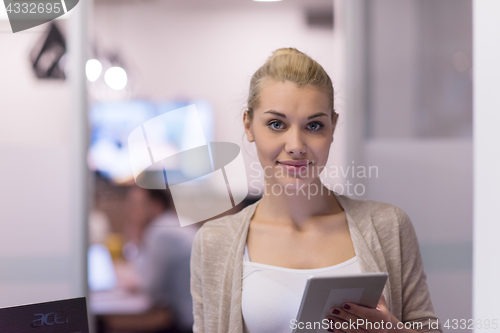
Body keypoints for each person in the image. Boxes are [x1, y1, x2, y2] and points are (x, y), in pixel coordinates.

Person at [190, 48, 441, 333]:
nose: (296, 145)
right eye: (276, 124)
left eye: (314, 125)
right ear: (248, 125)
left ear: (332, 127)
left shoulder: (388, 225)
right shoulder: (213, 242)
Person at [127, 186, 197, 333]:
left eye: (137, 205)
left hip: (188, 322)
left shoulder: (160, 231)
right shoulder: (173, 223)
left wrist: (137, 239)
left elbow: (151, 289)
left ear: (156, 206)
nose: (131, 212)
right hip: (199, 317)